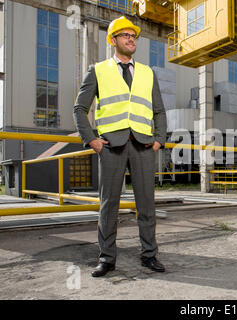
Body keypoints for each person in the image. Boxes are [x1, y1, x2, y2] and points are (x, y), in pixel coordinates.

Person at [73, 16, 167, 277]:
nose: (131, 39)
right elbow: (80, 108)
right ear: (113, 40)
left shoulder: (148, 72)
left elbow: (159, 110)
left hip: (144, 146)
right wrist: (91, 139)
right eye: (125, 35)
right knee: (109, 205)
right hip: (111, 147)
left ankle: (149, 256)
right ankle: (107, 258)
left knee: (147, 205)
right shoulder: (98, 70)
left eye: (134, 36)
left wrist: (159, 139)